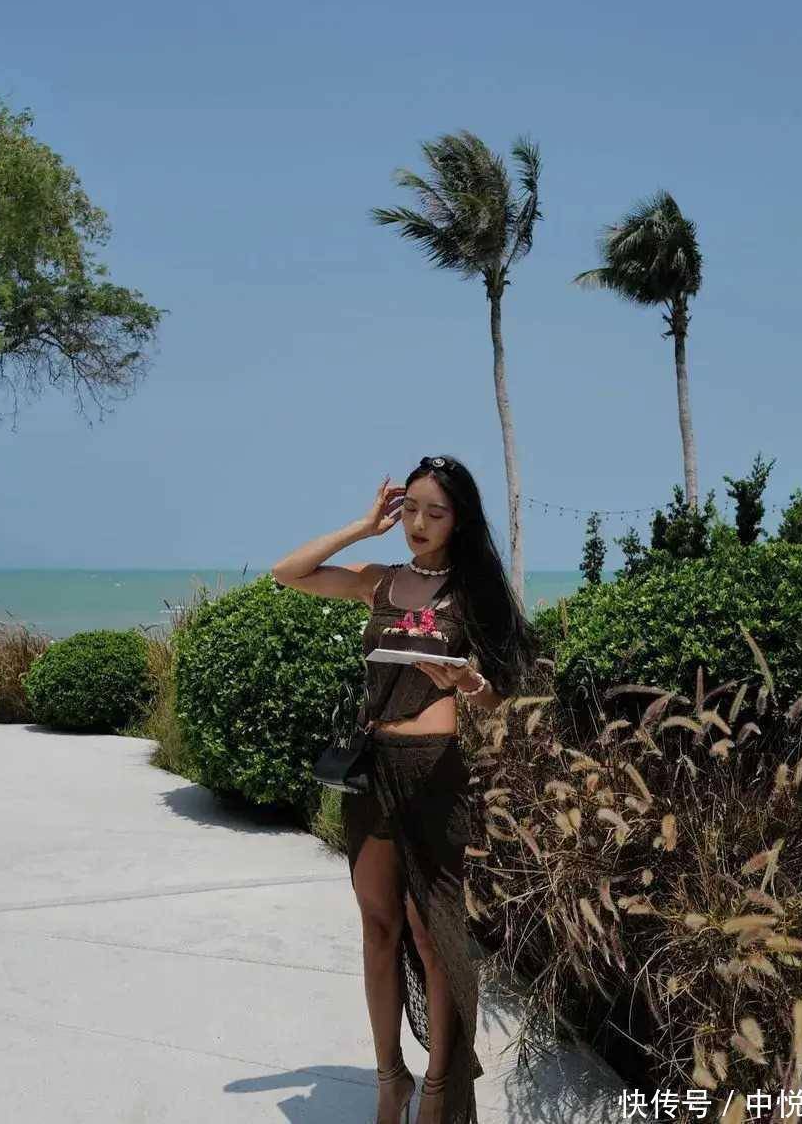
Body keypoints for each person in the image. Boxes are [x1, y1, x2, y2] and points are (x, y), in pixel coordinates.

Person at [271, 455, 540, 1124]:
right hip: (373, 769)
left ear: (459, 520)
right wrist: (361, 528)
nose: (418, 523)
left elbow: (502, 693)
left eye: (435, 512)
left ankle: (442, 1084)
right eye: (410, 509)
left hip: (433, 771)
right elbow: (288, 572)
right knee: (378, 926)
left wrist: (470, 684)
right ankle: (390, 1077)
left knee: (432, 933)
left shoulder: (473, 592)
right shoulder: (381, 581)